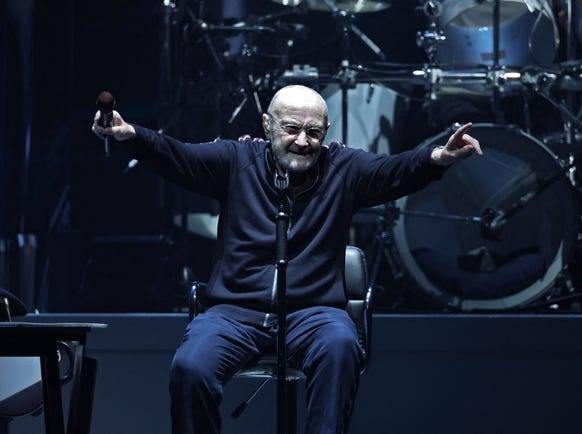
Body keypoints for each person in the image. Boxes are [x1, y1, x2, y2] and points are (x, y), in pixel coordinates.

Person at [91, 84, 482, 434]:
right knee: (191, 368)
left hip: (313, 313)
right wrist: (131, 137)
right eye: (291, 128)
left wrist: (438, 157)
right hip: (233, 312)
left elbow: (397, 169)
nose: (302, 141)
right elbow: (177, 155)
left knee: (340, 346)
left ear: (325, 133)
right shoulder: (235, 159)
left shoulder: (344, 168)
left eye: (313, 132)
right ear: (267, 125)